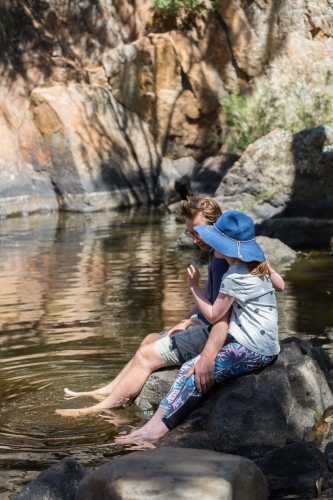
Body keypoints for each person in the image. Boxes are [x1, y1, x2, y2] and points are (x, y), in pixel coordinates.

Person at [115, 210, 284, 443]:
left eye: (216, 242)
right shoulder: (257, 265)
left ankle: (157, 430)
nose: (212, 246)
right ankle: (152, 424)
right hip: (261, 342)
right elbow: (281, 285)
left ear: (225, 247)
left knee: (194, 373)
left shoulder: (234, 276)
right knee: (188, 369)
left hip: (253, 348)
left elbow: (215, 316)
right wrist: (265, 261)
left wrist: (194, 287)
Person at [55, 196, 230, 416]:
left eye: (198, 232)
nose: (195, 239)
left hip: (215, 334)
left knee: (145, 356)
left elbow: (219, 316)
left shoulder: (223, 260)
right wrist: (184, 321)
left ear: (215, 225)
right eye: (190, 233)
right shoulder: (215, 252)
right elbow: (211, 298)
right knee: (150, 339)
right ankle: (107, 391)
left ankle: (101, 409)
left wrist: (193, 288)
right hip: (204, 324)